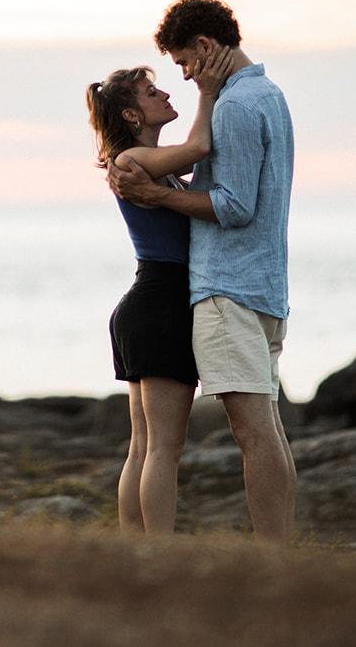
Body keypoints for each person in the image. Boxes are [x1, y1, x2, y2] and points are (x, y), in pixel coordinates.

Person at [108, 0, 297, 544]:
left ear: (207, 47)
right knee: (178, 442)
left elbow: (232, 203)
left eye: (185, 64)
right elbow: (209, 169)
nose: (184, 79)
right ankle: (151, 554)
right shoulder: (269, 95)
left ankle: (267, 559)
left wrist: (163, 197)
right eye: (159, 84)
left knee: (243, 434)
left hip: (226, 290)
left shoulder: (233, 105)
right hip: (225, 291)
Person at [85, 43, 232, 535]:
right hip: (162, 303)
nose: (166, 92)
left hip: (146, 304)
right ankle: (160, 555)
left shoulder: (148, 162)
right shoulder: (134, 159)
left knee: (144, 446)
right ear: (131, 113)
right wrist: (208, 93)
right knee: (163, 449)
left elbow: (197, 167)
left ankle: (135, 551)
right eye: (152, 92)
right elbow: (199, 148)